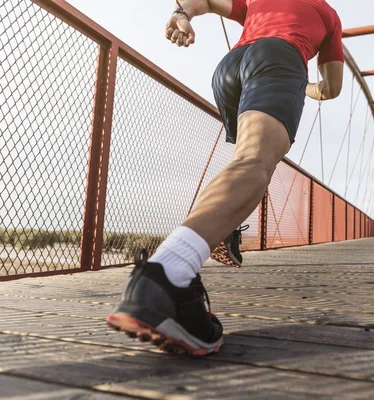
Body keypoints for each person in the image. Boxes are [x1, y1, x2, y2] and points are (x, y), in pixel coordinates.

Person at [106, 0, 344, 356]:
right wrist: (302, 82)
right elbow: (332, 87)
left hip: (230, 68)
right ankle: (167, 273)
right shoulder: (327, 14)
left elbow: (200, 1)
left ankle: (216, 234)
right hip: (280, 59)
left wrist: (181, 15)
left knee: (247, 161)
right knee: (255, 162)